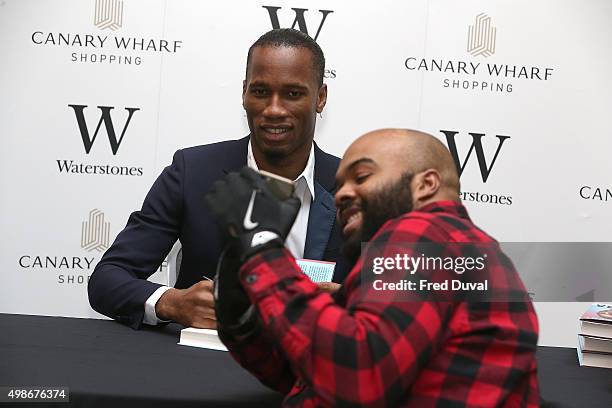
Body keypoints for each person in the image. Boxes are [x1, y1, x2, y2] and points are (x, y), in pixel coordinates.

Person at [205, 129, 540, 406]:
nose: (341, 194)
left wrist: (261, 248)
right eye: (340, 185)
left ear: (426, 185)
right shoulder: (452, 249)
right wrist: (242, 316)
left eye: (362, 176)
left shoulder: (425, 234)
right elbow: (312, 372)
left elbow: (360, 375)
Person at [88, 28, 349, 330]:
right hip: (203, 369)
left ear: (320, 97)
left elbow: (397, 304)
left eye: (293, 94)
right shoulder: (192, 171)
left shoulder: (357, 189)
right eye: (261, 91)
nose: (274, 109)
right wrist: (172, 303)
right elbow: (107, 279)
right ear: (244, 93)